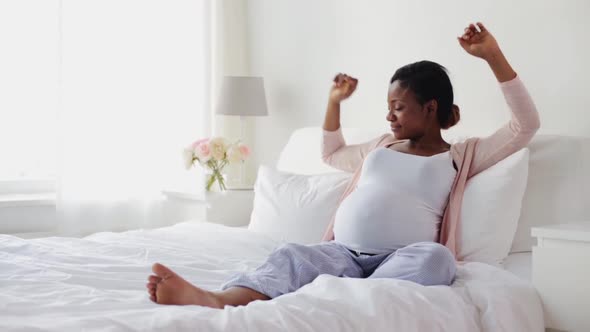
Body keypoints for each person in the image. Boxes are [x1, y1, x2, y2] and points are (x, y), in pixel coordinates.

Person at [145, 22, 540, 308]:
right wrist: (334, 102)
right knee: (291, 255)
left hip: (398, 262)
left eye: (398, 107)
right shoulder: (382, 146)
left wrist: (492, 55)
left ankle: (344, 296)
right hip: (343, 255)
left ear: (430, 108)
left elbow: (525, 126)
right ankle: (216, 299)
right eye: (388, 108)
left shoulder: (460, 156)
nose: (390, 117)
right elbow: (332, 153)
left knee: (437, 261)